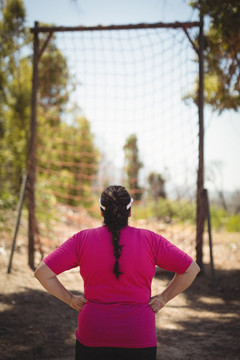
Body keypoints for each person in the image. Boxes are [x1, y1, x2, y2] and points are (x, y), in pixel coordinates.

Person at [34, 185, 200, 360]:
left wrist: (70, 299)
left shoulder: (82, 239)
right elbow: (191, 269)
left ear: (101, 211)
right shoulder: (151, 240)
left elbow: (42, 273)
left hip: (93, 334)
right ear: (129, 211)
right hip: (138, 336)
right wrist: (164, 298)